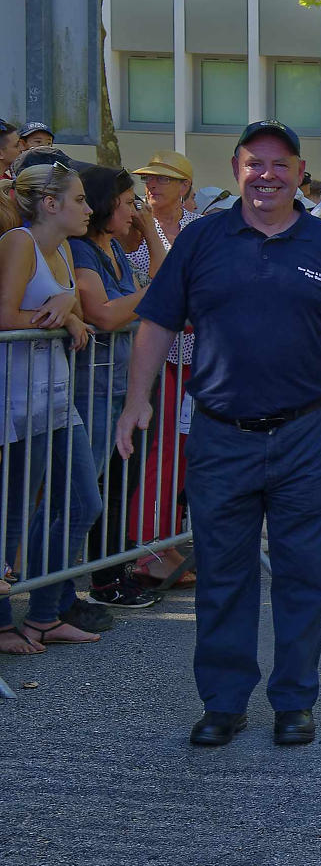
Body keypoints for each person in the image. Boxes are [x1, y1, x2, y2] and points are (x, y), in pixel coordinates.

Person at [117, 120, 321, 748]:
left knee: (303, 575)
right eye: (254, 163)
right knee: (223, 576)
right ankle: (223, 702)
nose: (266, 175)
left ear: (298, 174)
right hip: (221, 435)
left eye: (280, 164)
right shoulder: (202, 240)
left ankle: (295, 701)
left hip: (306, 437)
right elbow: (156, 323)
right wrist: (137, 402)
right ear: (236, 169)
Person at [0, 162, 106, 652]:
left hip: (58, 398)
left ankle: (43, 615)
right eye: (80, 199)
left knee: (85, 501)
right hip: (19, 399)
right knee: (14, 511)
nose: (88, 209)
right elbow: (5, 315)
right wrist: (62, 316)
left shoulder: (62, 248)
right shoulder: (18, 242)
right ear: (50, 204)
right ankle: (5, 623)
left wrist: (69, 311)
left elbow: (77, 312)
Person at [71, 166, 166, 609]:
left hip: (122, 386)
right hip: (93, 386)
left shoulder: (113, 248)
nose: (134, 211)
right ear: (104, 203)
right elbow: (105, 315)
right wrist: (150, 296)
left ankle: (110, 575)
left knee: (117, 488)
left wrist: (150, 234)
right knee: (87, 493)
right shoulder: (82, 249)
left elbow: (159, 287)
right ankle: (69, 587)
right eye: (128, 203)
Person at [126, 150, 199, 587]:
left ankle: (167, 540)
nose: (152, 185)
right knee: (161, 450)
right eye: (149, 179)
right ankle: (146, 546)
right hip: (154, 357)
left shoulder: (198, 228)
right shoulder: (134, 228)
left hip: (196, 355)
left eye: (163, 179)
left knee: (184, 449)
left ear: (185, 186)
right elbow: (149, 287)